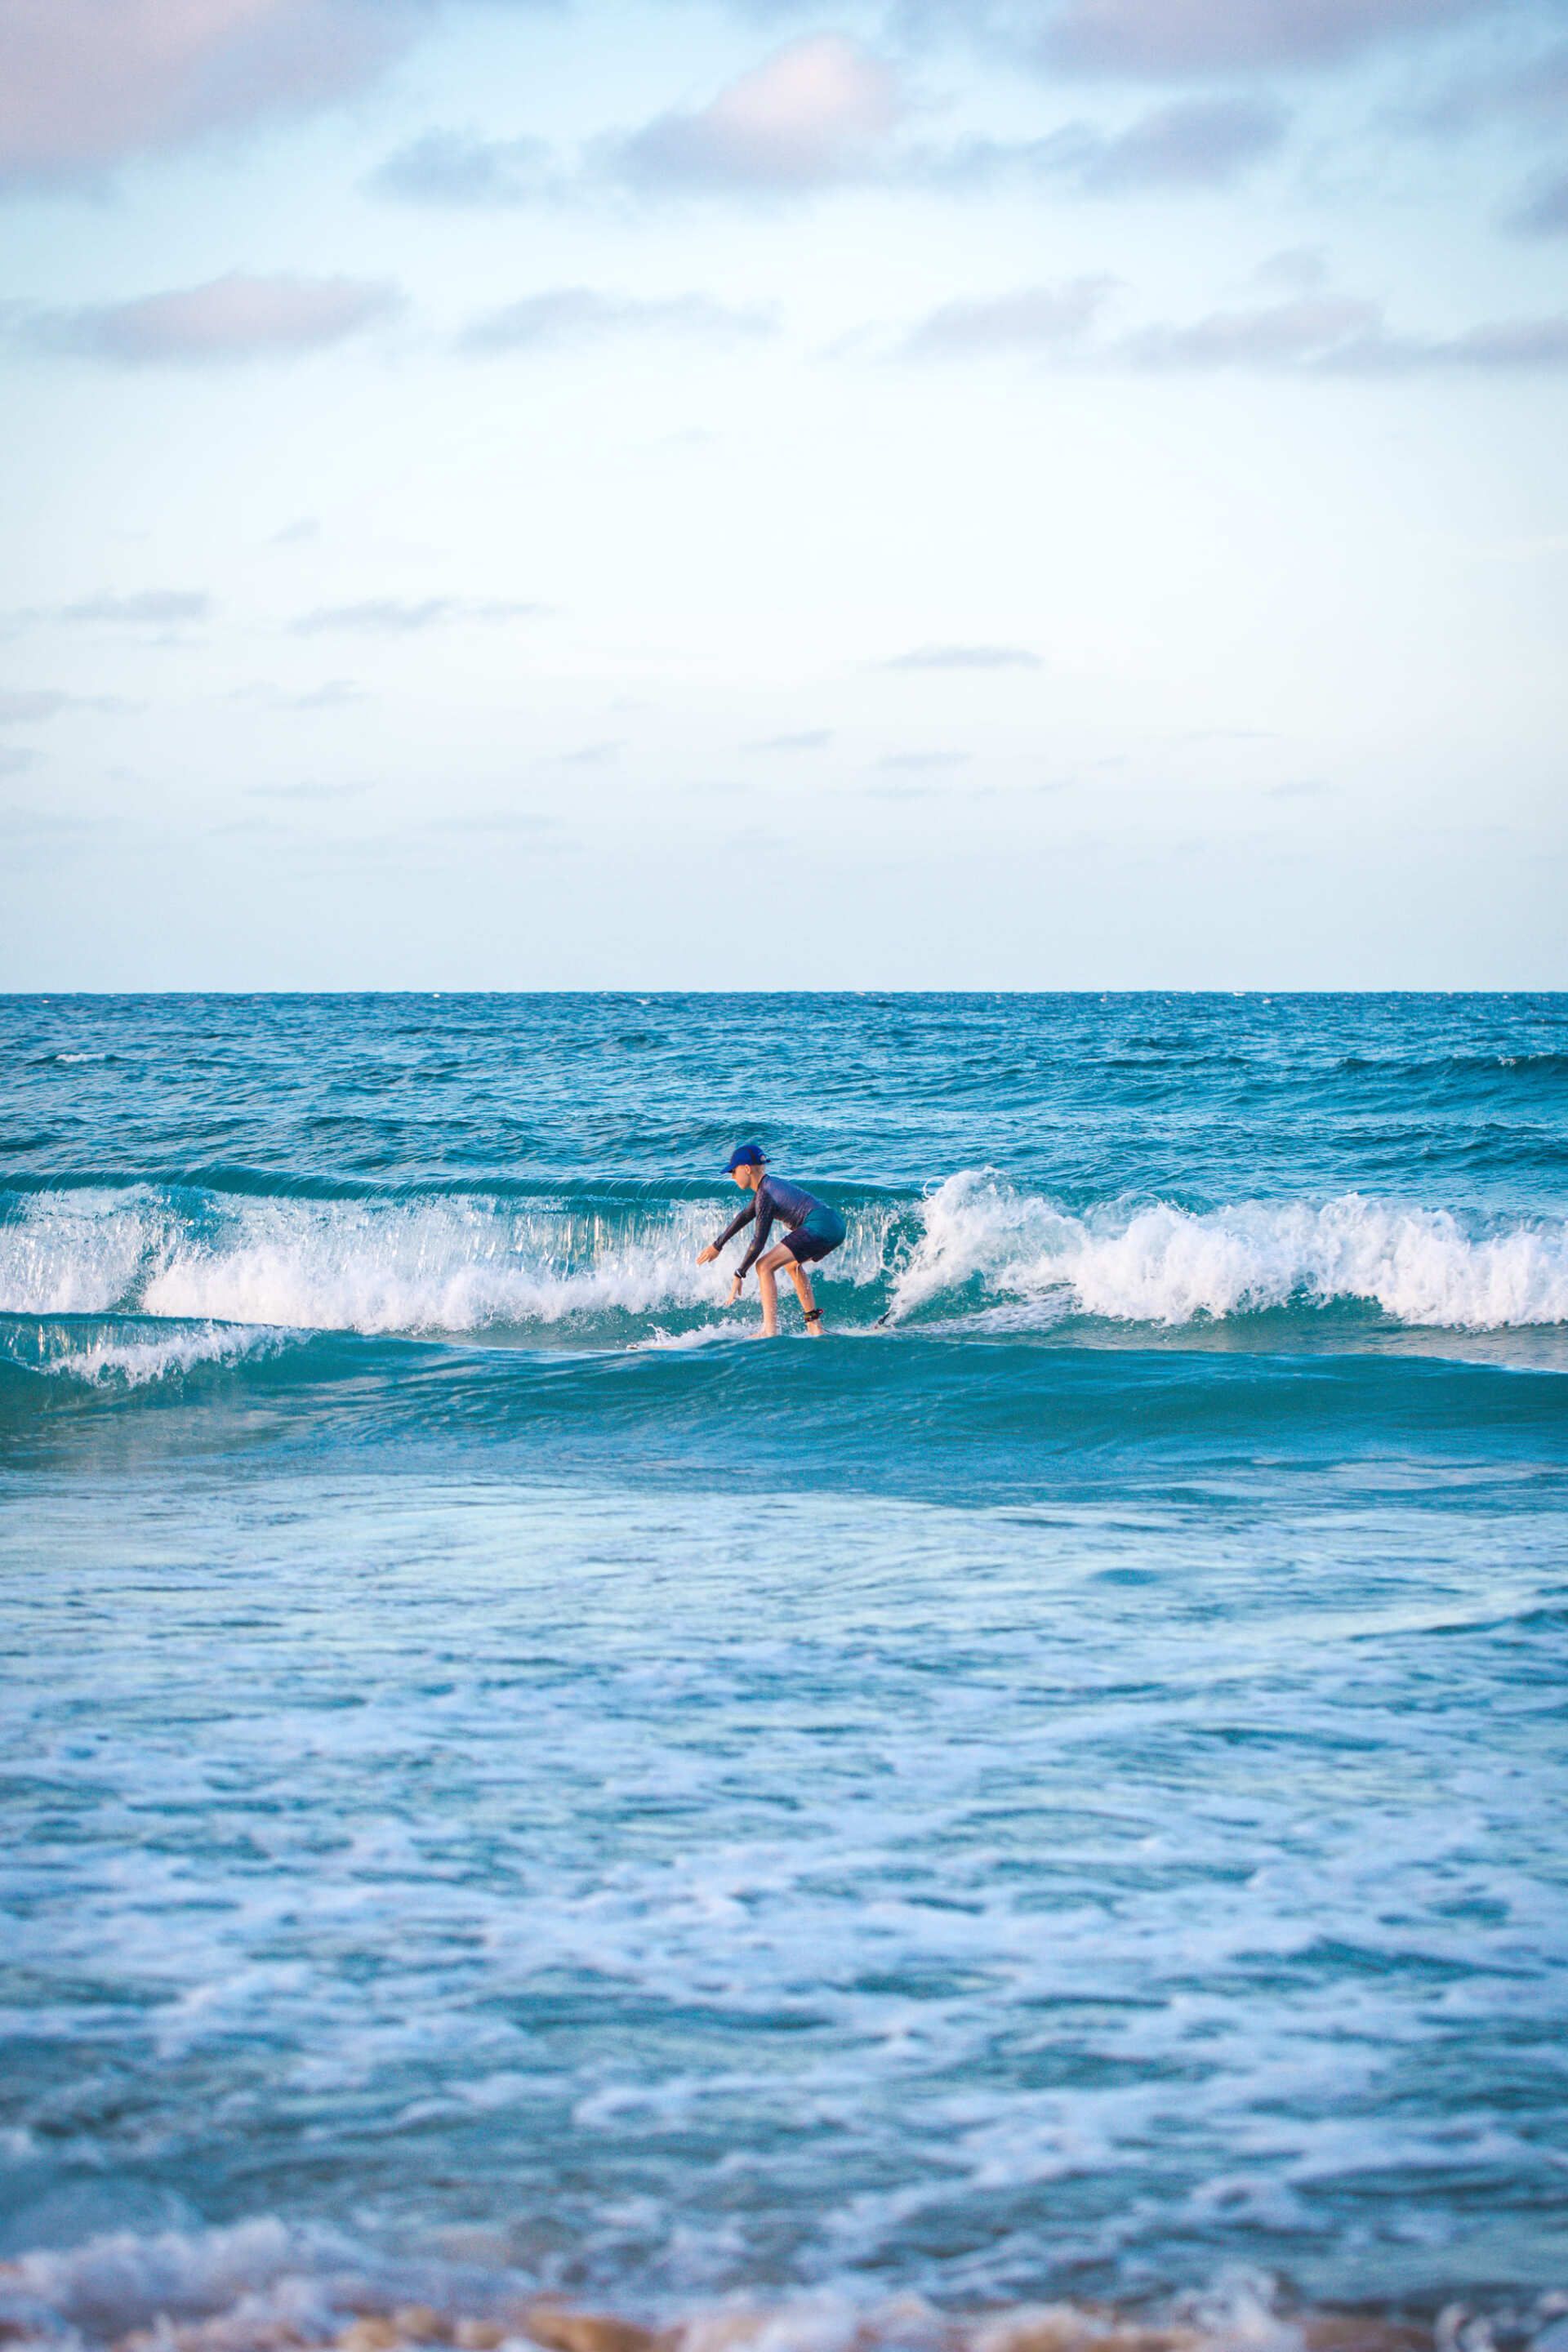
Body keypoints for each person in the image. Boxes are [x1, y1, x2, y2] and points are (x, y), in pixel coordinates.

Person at [697, 1145, 846, 1337]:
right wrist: (717, 1245)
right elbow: (744, 1216)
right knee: (792, 1265)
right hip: (835, 1225)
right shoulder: (768, 1188)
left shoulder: (765, 1194)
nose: (732, 1176)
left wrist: (739, 1273)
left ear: (747, 1169)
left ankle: (769, 1329)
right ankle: (813, 1325)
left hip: (819, 1225)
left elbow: (758, 1241)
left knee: (764, 1265)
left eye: (733, 1171)